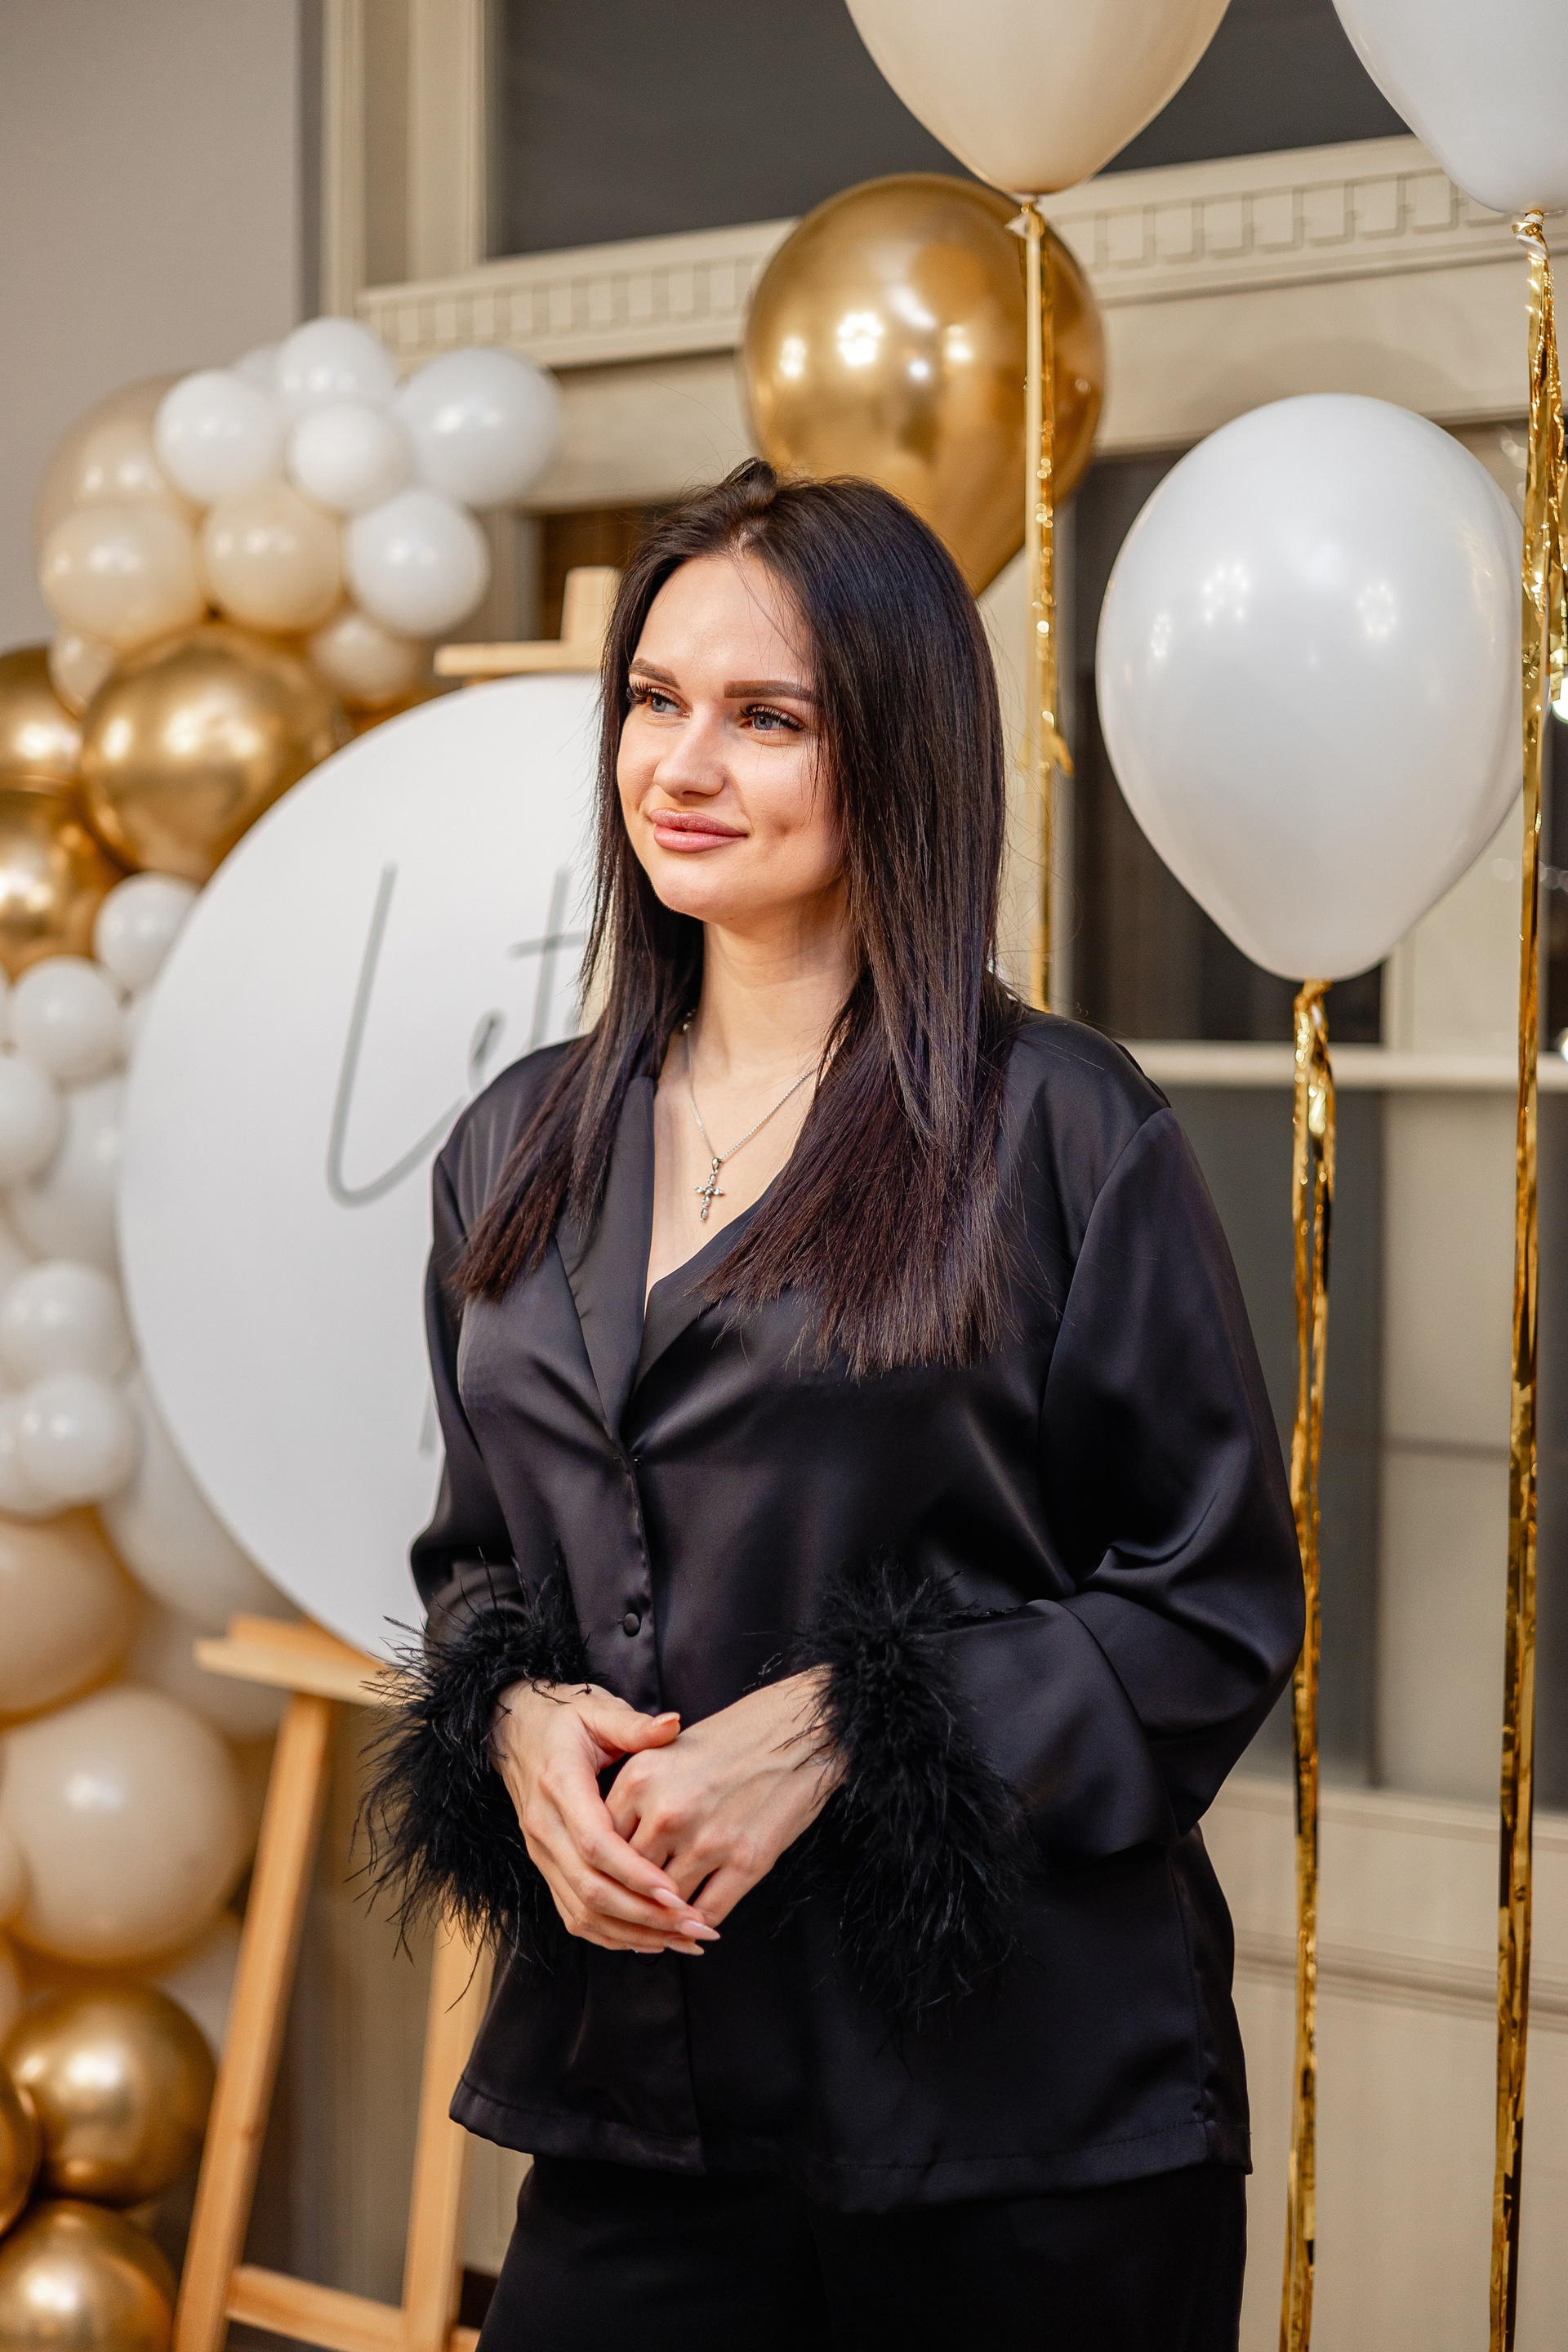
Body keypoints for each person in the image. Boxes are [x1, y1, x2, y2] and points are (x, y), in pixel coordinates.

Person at [368, 460, 1303, 2350]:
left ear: (896, 748)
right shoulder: (515, 1147)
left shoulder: (1059, 1131)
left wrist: (847, 1729)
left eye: (767, 718)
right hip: (644, 2097)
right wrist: (513, 1720)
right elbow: (478, 1571)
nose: (682, 765)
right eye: (655, 700)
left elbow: (1208, 1607)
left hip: (1019, 2130)